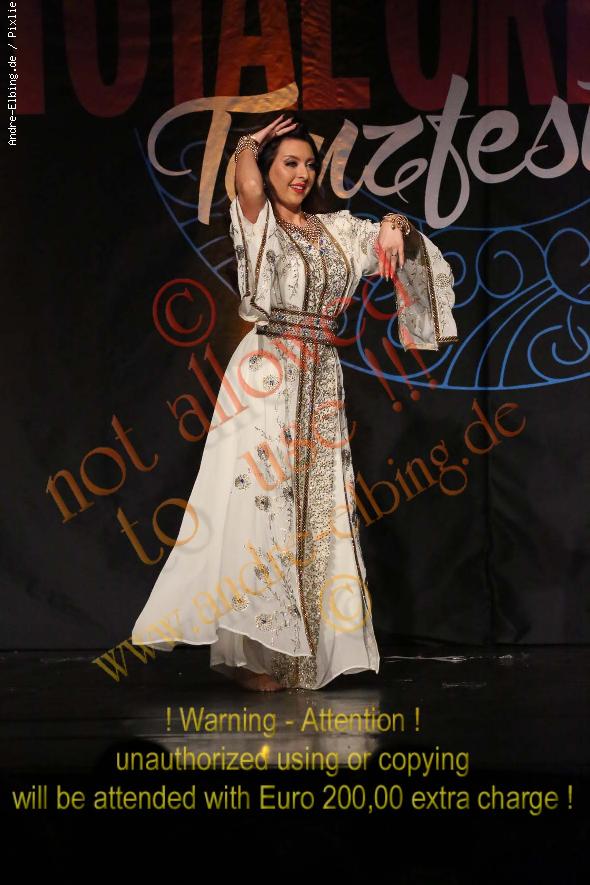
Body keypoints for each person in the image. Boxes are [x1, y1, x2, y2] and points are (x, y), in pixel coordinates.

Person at [131, 114, 458, 691]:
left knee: (319, 506)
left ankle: (306, 654)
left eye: (309, 164)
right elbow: (246, 184)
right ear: (268, 170)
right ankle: (254, 657)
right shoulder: (258, 222)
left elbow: (402, 247)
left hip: (321, 375)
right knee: (262, 507)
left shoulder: (336, 230)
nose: (302, 173)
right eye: (289, 162)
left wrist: (394, 227)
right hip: (266, 372)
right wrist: (248, 146)